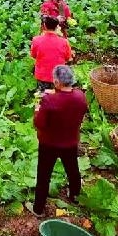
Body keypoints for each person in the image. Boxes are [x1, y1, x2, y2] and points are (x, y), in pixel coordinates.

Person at [31, 65, 88, 217]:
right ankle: (75, 196)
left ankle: (38, 208)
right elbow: (74, 106)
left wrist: (37, 109)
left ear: (56, 82)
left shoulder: (49, 100)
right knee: (73, 170)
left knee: (44, 175)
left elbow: (39, 123)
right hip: (70, 142)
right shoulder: (80, 97)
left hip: (49, 143)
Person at [30, 17, 73, 92]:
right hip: (59, 76)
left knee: (43, 96)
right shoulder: (64, 42)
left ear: (44, 26)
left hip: (42, 76)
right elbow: (68, 58)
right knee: (58, 96)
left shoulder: (36, 40)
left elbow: (33, 55)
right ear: (57, 27)